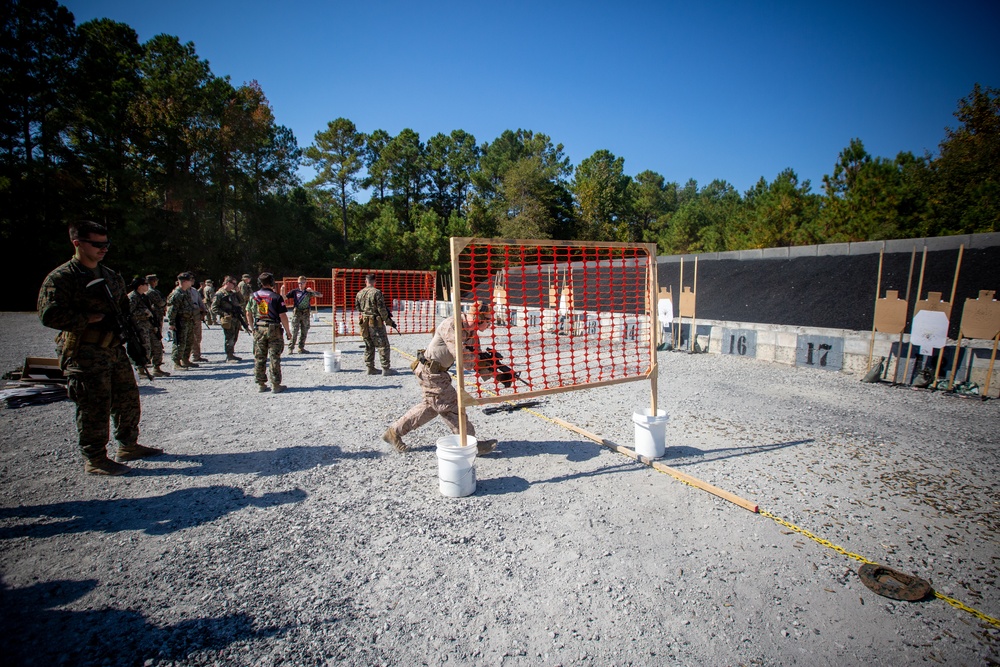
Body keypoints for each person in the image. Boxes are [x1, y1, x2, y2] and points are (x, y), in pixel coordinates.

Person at [37, 220, 164, 475]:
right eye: (97, 244)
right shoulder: (63, 277)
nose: (103, 249)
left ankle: (128, 445)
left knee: (127, 398)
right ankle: (94, 457)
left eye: (106, 244)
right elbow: (48, 315)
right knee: (93, 405)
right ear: (77, 243)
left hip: (113, 348)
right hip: (85, 351)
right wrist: (88, 318)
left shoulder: (110, 275)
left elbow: (123, 309)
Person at [382, 303, 497, 455]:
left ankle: (393, 433)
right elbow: (463, 358)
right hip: (430, 372)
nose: (490, 324)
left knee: (431, 408)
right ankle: (470, 444)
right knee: (451, 406)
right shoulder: (452, 325)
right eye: (488, 321)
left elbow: (473, 363)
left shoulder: (472, 333)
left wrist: (496, 370)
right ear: (479, 318)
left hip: (439, 373)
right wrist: (479, 360)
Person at [249, 272, 292, 393]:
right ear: (272, 283)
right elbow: (282, 315)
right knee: (274, 357)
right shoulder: (276, 297)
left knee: (259, 357)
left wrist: (252, 327)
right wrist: (288, 332)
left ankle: (261, 384)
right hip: (274, 328)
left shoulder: (253, 296)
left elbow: (248, 313)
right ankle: (275, 384)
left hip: (259, 328)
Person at [355, 274, 397, 375]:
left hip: (364, 323)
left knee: (369, 345)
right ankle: (386, 369)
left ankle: (370, 368)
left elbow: (358, 308)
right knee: (383, 345)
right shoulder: (377, 292)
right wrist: (388, 321)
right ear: (375, 281)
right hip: (375, 323)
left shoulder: (359, 293)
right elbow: (381, 309)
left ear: (366, 281)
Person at [127, 276, 168, 377]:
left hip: (149, 326)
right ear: (140, 286)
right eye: (145, 284)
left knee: (157, 346)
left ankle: (157, 368)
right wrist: (143, 312)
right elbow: (129, 312)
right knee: (145, 348)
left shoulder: (143, 296)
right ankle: (140, 370)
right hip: (139, 327)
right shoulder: (132, 297)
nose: (147, 286)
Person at [166, 272, 198, 370]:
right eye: (189, 280)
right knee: (180, 342)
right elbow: (172, 310)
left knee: (189, 341)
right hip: (180, 321)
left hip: (189, 321)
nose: (191, 282)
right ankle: (177, 362)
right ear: (184, 281)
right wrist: (171, 323)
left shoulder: (186, 292)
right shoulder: (177, 294)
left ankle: (185, 360)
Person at [285, 275, 323, 354]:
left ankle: (301, 348)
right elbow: (285, 297)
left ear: (305, 283)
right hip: (297, 313)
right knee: (294, 331)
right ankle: (290, 348)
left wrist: (312, 291)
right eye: (299, 283)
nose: (300, 284)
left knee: (304, 331)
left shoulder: (308, 292)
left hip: (305, 313)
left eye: (302, 283)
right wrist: (282, 291)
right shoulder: (294, 291)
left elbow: (320, 295)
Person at [212, 275, 245, 362]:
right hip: (228, 319)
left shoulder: (232, 293)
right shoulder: (220, 294)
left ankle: (232, 354)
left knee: (234, 337)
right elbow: (214, 308)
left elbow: (242, 301)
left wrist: (238, 292)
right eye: (233, 283)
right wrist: (224, 313)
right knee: (229, 338)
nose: (235, 285)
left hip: (235, 318)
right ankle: (229, 356)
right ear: (227, 283)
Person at [145, 274, 168, 373]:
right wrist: (163, 302)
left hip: (155, 318)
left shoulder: (150, 291)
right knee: (155, 339)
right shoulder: (152, 292)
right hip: (154, 318)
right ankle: (155, 365)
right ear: (153, 281)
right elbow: (161, 303)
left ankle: (151, 362)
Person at [189, 278, 209, 363]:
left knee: (198, 337)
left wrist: (204, 311)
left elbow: (200, 302)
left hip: (197, 317)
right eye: (191, 279)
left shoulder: (194, 291)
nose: (193, 281)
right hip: (188, 318)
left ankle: (196, 355)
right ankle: (187, 357)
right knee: (190, 338)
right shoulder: (182, 292)